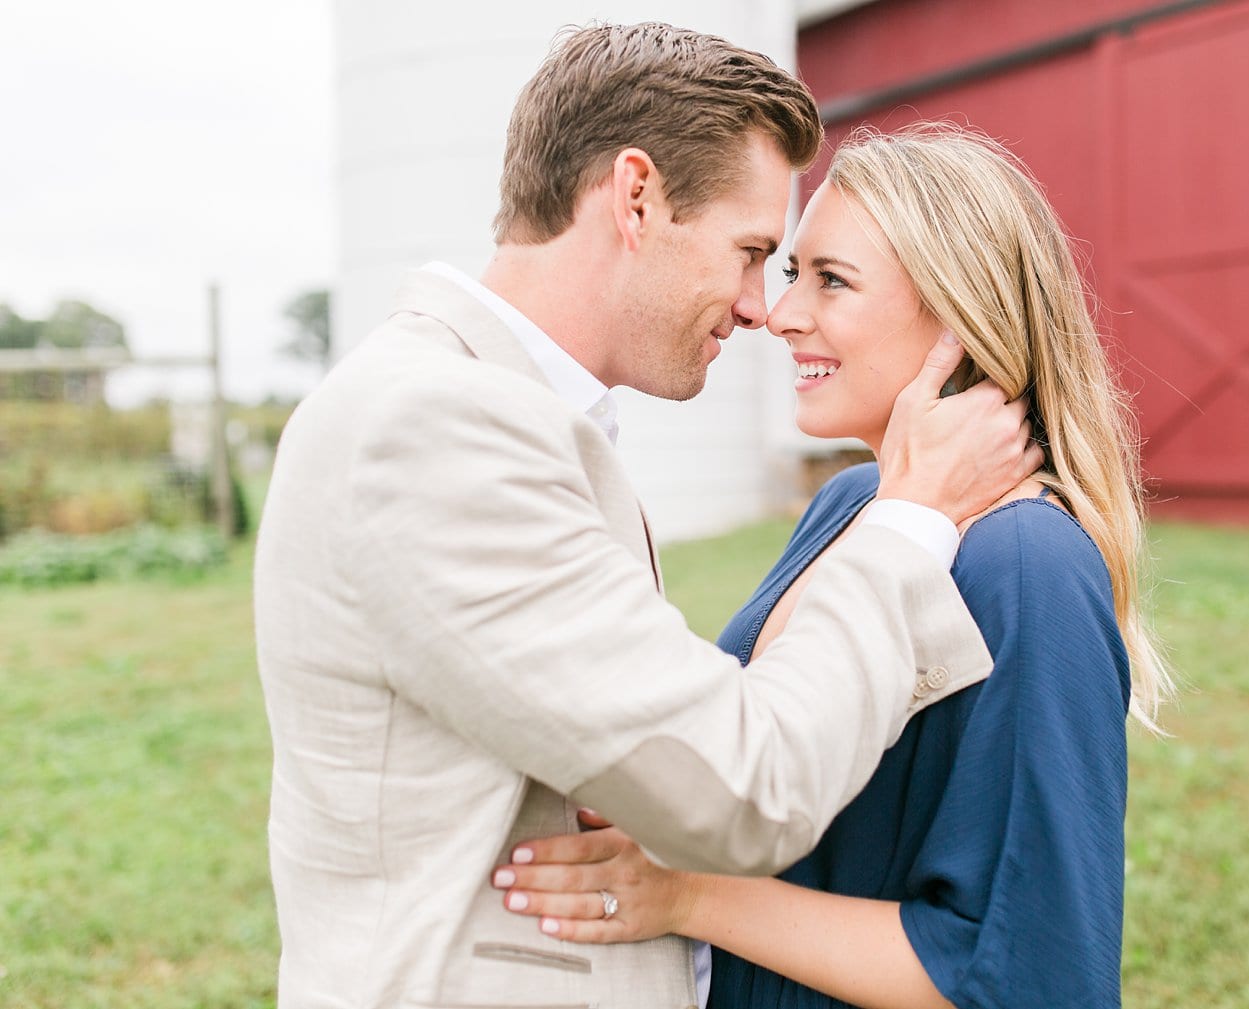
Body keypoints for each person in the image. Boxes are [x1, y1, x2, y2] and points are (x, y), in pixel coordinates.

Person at [254, 25, 1042, 1009]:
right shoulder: (436, 425)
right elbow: (741, 789)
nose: (763, 307)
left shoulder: (488, 409)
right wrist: (912, 520)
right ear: (636, 199)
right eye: (752, 252)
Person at [492, 124, 1178, 1009]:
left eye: (832, 281)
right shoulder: (852, 507)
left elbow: (1020, 972)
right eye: (789, 273)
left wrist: (689, 892)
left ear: (958, 314)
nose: (779, 314)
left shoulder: (1024, 562)